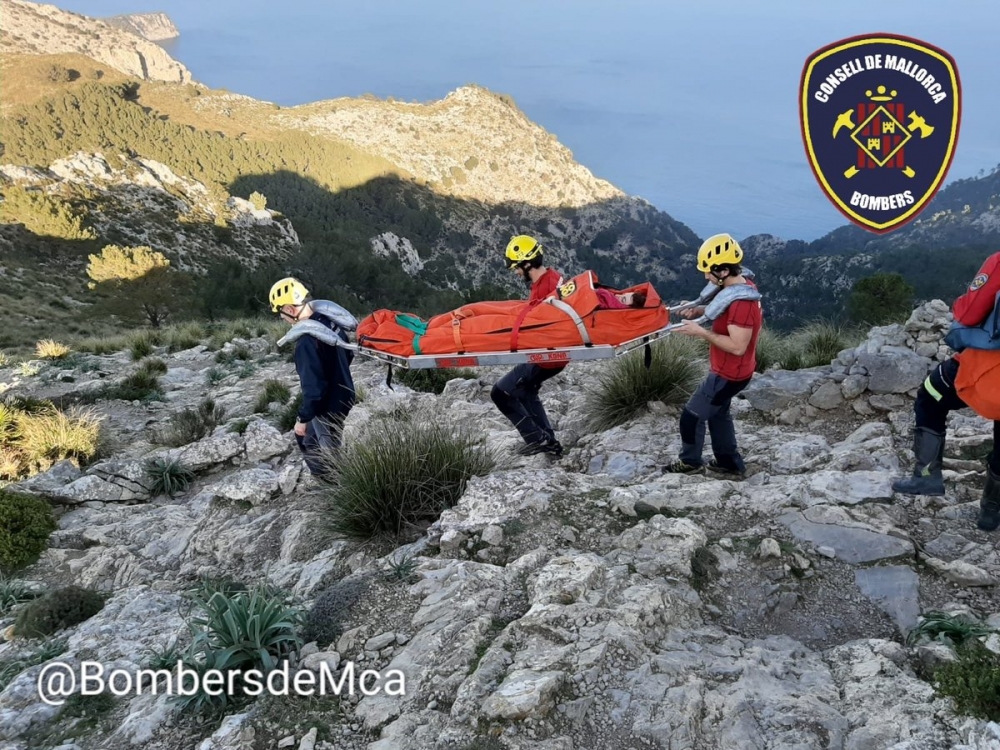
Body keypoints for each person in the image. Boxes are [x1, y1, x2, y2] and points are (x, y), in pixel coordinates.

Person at [892, 251, 1000, 531]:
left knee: (930, 394)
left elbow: (970, 310)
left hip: (988, 367)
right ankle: (991, 512)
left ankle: (926, 477)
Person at [664, 233, 762, 477]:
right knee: (718, 415)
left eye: (710, 271)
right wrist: (699, 309)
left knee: (690, 417)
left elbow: (738, 346)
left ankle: (690, 462)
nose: (706, 276)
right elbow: (725, 312)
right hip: (736, 370)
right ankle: (729, 464)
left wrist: (701, 333)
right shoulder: (741, 288)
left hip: (729, 373)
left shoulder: (743, 303)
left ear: (724, 270)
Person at [269, 276, 356, 478]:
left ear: (290, 309)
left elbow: (314, 390)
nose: (281, 318)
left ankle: (336, 489)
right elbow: (348, 354)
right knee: (309, 439)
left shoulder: (307, 342)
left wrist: (302, 418)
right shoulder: (329, 322)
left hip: (328, 407)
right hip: (346, 393)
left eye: (280, 312)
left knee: (329, 452)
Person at [490, 235, 566, 457]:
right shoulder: (552, 278)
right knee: (526, 391)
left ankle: (538, 440)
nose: (515, 272)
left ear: (527, 263)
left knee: (500, 393)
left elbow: (539, 326)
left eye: (516, 267)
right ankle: (549, 442)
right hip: (555, 355)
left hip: (547, 356)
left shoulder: (545, 289)